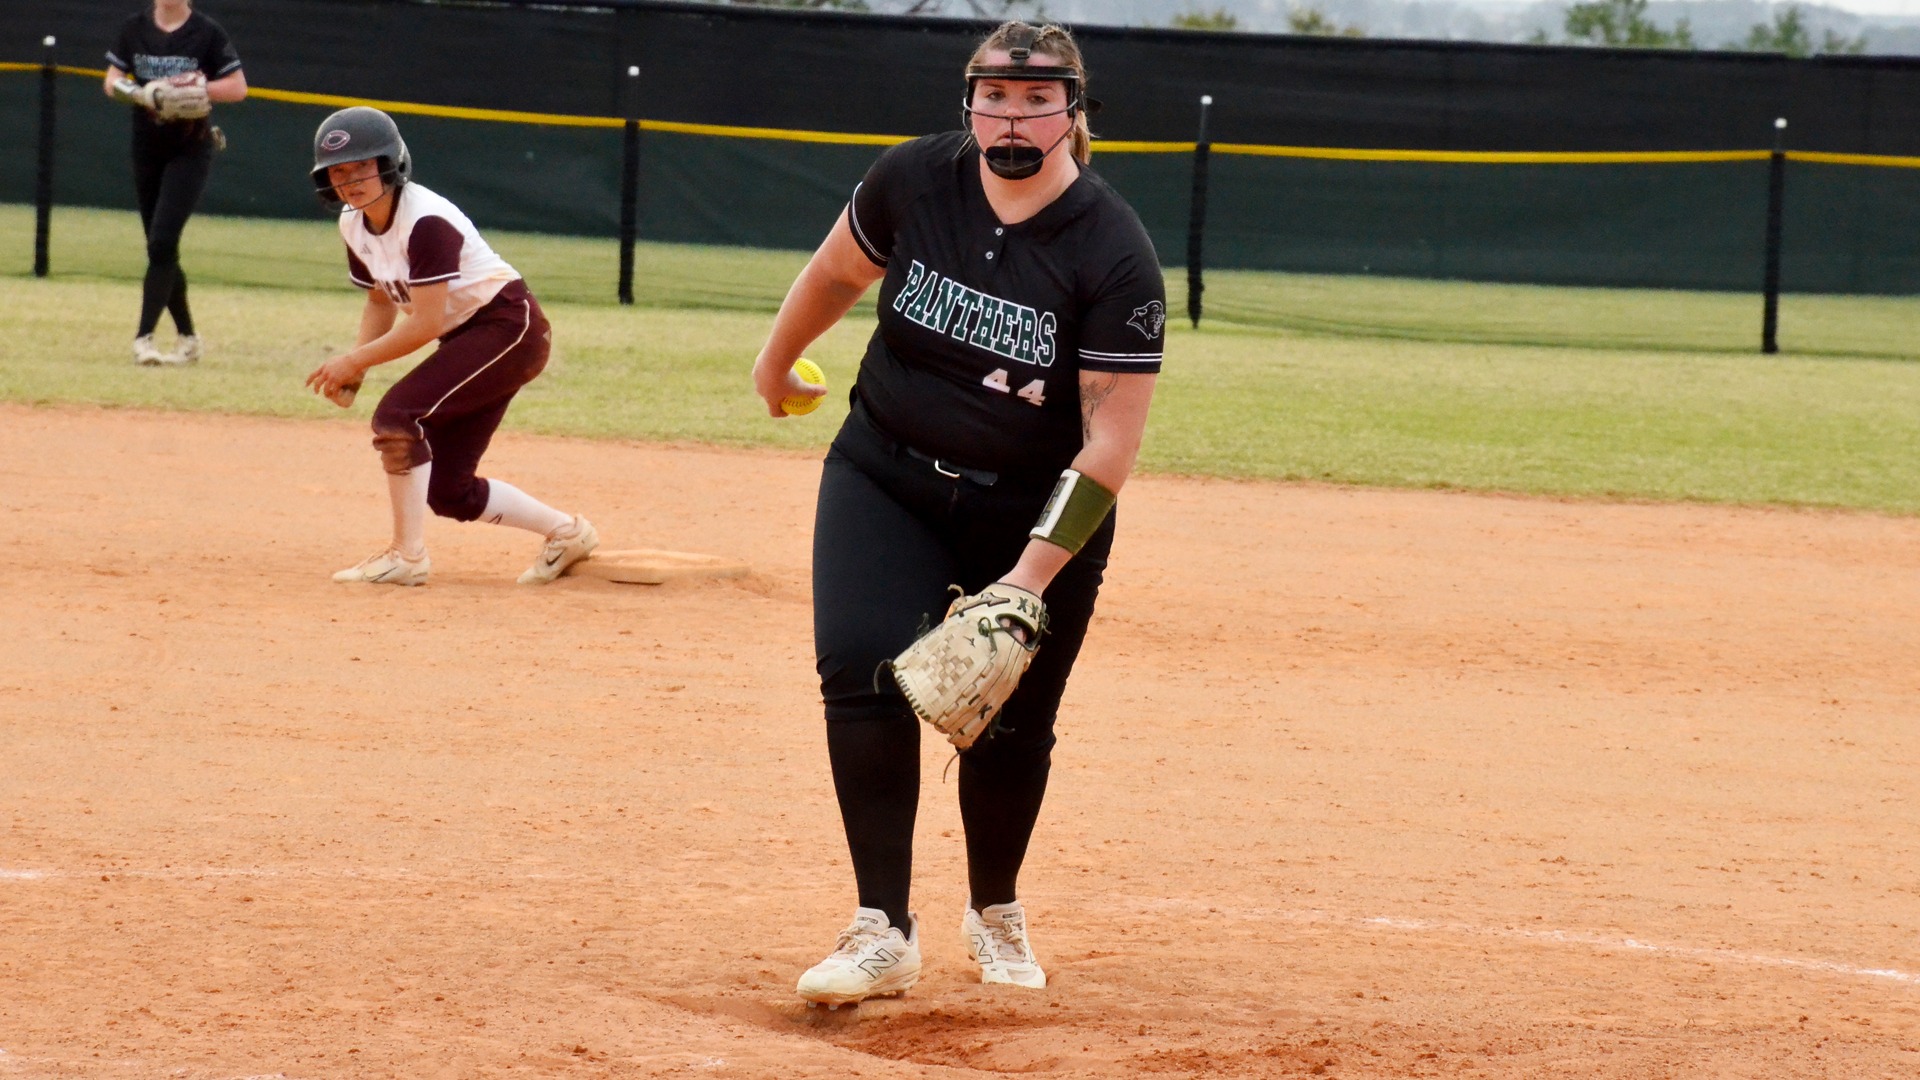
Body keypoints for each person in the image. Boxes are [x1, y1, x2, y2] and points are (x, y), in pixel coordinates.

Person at [750, 22, 1166, 1007]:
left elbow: (1108, 446)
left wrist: (1024, 583)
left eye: (1037, 99)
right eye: (995, 96)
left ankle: (995, 907)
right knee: (860, 667)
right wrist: (774, 364)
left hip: (1031, 511)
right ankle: (882, 929)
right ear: (968, 103)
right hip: (884, 470)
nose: (1012, 118)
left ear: (1073, 110)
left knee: (1012, 723)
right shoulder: (914, 180)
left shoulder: (1112, 251)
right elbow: (835, 274)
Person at [303, 106, 598, 588]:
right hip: (472, 337)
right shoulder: (353, 224)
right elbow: (380, 299)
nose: (350, 180)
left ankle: (406, 556)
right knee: (447, 490)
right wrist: (359, 368)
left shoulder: (425, 220)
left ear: (391, 164)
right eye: (338, 171)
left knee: (398, 416)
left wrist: (352, 360)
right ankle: (567, 533)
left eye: (362, 166)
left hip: (508, 327)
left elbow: (424, 323)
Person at [103, 0, 246, 366]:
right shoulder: (134, 28)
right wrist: (140, 93)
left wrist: (197, 88)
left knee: (163, 241)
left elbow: (237, 87)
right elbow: (111, 80)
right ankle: (188, 339)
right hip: (147, 148)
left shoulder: (207, 32)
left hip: (190, 149)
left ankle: (144, 339)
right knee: (160, 249)